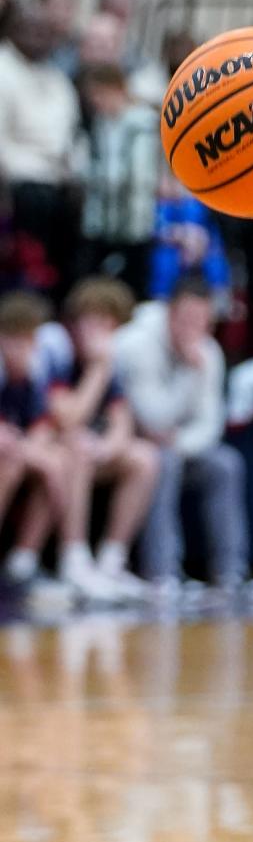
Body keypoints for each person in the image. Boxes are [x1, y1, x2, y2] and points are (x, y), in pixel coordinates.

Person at [115, 275, 253, 608]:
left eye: (202, 322)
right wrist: (189, 372)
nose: (194, 329)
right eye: (187, 319)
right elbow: (152, 416)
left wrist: (178, 441)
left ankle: (231, 575)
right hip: (131, 448)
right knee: (164, 460)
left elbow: (210, 425)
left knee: (226, 464)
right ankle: (163, 574)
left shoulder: (209, 351)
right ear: (169, 313)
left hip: (178, 447)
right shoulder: (135, 343)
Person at [48, 277, 161, 600]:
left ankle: (111, 562)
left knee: (144, 458)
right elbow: (67, 417)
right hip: (49, 451)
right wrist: (98, 368)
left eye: (109, 324)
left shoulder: (115, 357)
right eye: (93, 320)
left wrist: (107, 448)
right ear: (76, 319)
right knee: (78, 446)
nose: (99, 332)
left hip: (85, 454)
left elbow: (121, 425)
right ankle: (74, 561)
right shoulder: (57, 348)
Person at [0, 3, 82, 299]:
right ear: (13, 29)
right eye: (31, 29)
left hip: (55, 178)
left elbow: (71, 138)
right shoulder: (4, 68)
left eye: (45, 32)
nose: (38, 37)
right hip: (17, 181)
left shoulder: (58, 79)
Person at [0, 291, 70, 600]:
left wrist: (37, 450)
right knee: (10, 465)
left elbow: (42, 424)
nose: (25, 349)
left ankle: (23, 562)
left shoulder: (38, 366)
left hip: (16, 448)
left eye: (29, 341)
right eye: (16, 340)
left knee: (60, 460)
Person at [77, 62, 160, 298]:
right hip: (101, 222)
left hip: (132, 222)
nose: (96, 102)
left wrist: (93, 175)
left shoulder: (140, 124)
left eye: (100, 94)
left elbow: (136, 175)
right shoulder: (101, 124)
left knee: (129, 288)